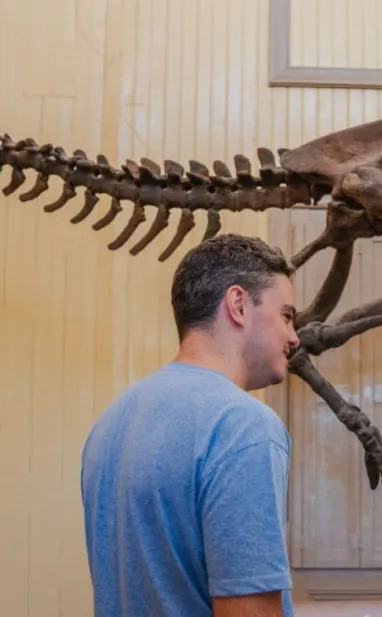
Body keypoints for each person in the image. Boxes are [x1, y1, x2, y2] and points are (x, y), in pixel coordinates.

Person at [80, 234, 302, 617]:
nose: (294, 337)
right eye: (286, 315)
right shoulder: (242, 426)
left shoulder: (109, 424)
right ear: (238, 305)